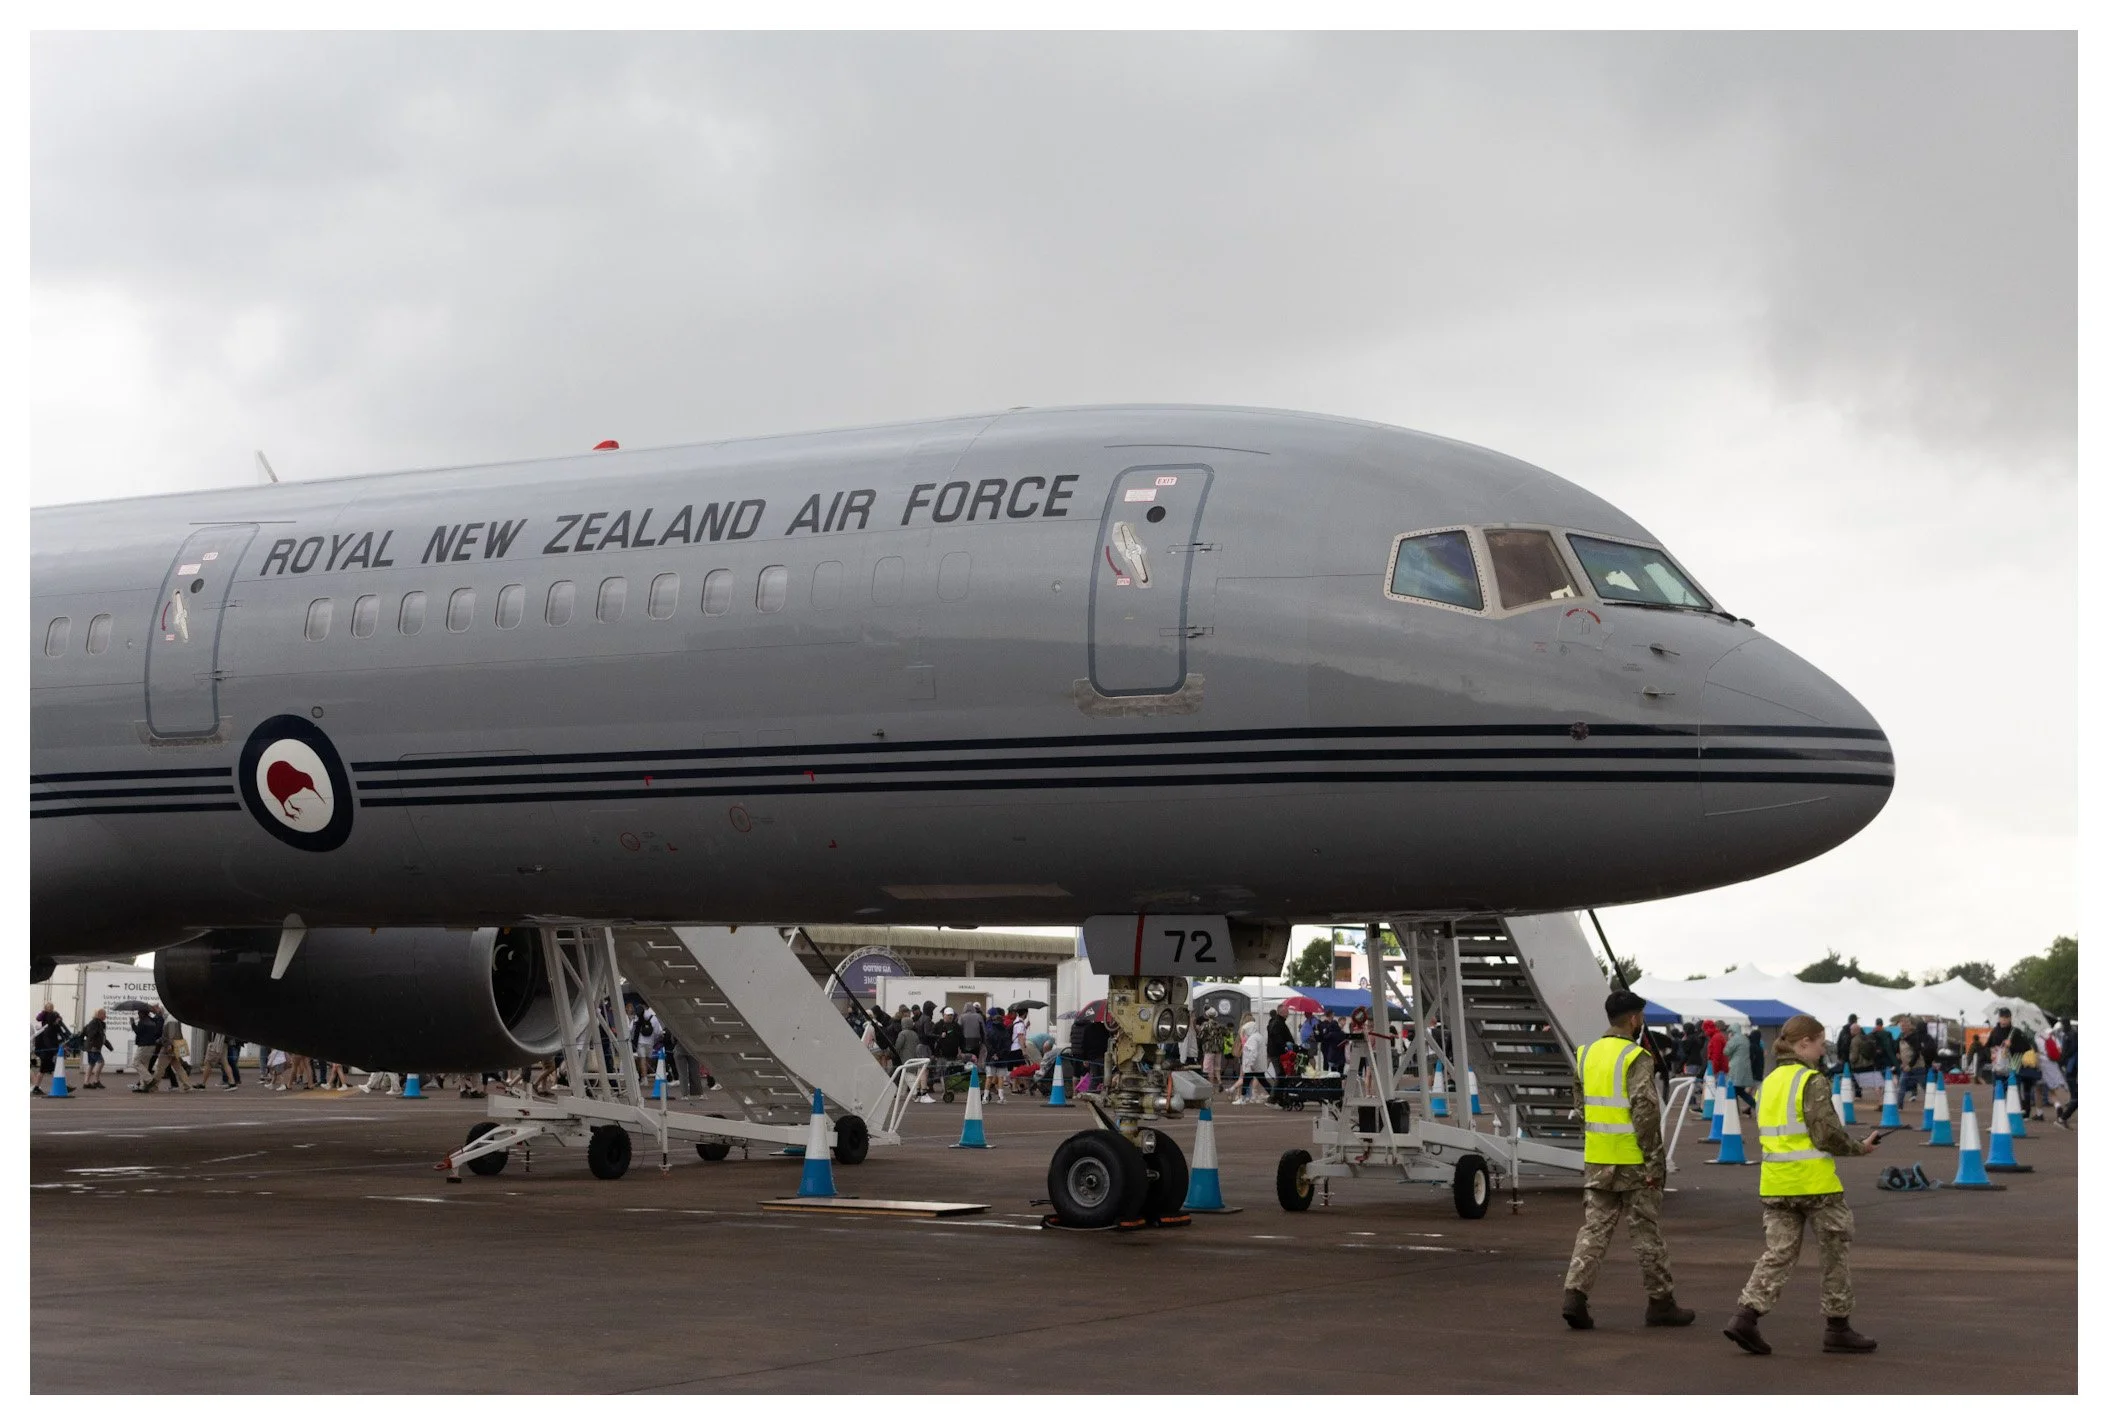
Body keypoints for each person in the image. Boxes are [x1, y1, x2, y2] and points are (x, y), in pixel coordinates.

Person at [1723, 1013, 1884, 1356]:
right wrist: (1860, 1147)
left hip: (1776, 1183)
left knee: (1779, 1253)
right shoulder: (1811, 1080)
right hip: (1815, 1184)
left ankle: (1746, 1316)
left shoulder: (1769, 1083)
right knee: (1834, 1253)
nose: (1823, 1048)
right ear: (1803, 1043)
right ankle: (1837, 1327)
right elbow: (1825, 1134)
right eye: (1820, 1041)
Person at [1562, 989, 1694, 1330]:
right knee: (1646, 1233)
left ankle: (1575, 1295)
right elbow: (1646, 1113)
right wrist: (1655, 1163)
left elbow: (1580, 1107)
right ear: (1634, 1019)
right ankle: (1661, 1303)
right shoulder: (1636, 1057)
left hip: (1597, 1158)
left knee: (1594, 1231)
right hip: (1633, 1161)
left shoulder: (1585, 1054)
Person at [32, 1001, 69, 1095]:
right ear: (53, 1019)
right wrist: (55, 1050)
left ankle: (37, 1087)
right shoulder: (48, 1030)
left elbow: (60, 1036)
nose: (58, 1021)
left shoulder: (53, 1028)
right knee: (46, 1070)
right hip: (47, 1054)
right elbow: (48, 1043)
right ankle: (37, 1087)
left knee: (49, 1070)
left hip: (48, 1053)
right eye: (57, 1019)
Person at [1232, 1014, 1268, 1104]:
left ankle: (1241, 1097)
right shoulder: (1258, 1036)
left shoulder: (1253, 1038)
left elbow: (1253, 1052)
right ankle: (1243, 1097)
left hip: (1253, 1065)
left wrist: (1250, 1064)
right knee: (1256, 1080)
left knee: (1249, 1080)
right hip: (1257, 1064)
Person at [1725, 1017, 1755, 1114]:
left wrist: (1729, 1040)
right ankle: (1755, 1105)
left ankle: (1733, 1111)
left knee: (1733, 1089)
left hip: (1735, 1067)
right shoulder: (1745, 1038)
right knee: (1739, 1090)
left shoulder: (1734, 1039)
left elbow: (1726, 1051)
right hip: (1745, 1066)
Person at [81, 1008, 111, 1088]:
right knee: (101, 1062)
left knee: (91, 1064)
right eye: (104, 1014)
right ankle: (96, 1081)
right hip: (93, 1047)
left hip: (92, 1047)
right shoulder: (95, 1023)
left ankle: (86, 1083)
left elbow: (102, 1037)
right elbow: (91, 1034)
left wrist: (109, 1046)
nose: (105, 1016)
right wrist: (93, 1045)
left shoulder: (99, 1023)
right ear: (99, 1014)